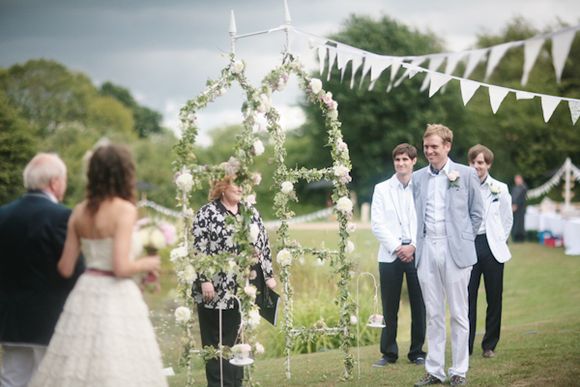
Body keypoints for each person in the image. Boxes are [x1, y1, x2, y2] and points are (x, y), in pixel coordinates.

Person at [28, 144, 167, 387]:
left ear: (93, 174)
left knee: (78, 361)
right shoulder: (124, 210)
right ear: (124, 173)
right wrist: (147, 262)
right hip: (116, 293)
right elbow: (121, 267)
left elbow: (65, 268)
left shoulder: (80, 212)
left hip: (85, 291)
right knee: (120, 362)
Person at [0, 153, 84, 387]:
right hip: (50, 319)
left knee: (11, 380)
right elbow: (75, 269)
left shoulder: (3, 215)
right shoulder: (62, 217)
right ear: (55, 182)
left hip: (11, 321)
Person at [412, 124, 484, 387]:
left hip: (456, 250)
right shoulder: (418, 177)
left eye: (434, 147)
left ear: (447, 146)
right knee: (433, 313)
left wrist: (463, 238)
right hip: (427, 248)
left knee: (458, 312)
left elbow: (477, 213)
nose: (429, 151)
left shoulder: (465, 174)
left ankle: (459, 370)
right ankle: (434, 370)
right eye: (426, 147)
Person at [191, 176, 276, 387]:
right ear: (222, 187)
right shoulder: (207, 213)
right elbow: (198, 250)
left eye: (243, 185)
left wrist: (269, 275)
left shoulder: (250, 212)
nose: (240, 188)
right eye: (235, 184)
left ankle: (236, 383)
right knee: (215, 341)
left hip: (244, 289)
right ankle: (218, 384)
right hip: (215, 288)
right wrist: (205, 279)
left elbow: (264, 245)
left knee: (239, 339)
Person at [371, 143, 426, 367]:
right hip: (390, 254)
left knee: (419, 304)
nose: (401, 163)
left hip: (417, 253)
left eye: (405, 159)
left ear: (414, 161)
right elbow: (377, 224)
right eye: (397, 160)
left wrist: (412, 245)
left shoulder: (422, 187)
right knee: (389, 306)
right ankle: (388, 353)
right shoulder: (382, 189)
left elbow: (425, 219)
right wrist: (397, 247)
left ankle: (417, 352)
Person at [467, 144, 513, 359]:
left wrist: (498, 241)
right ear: (470, 163)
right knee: (467, 297)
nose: (478, 166)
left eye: (482, 163)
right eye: (475, 162)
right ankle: (465, 345)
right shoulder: (462, 186)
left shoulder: (500, 188)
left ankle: (489, 345)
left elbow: (507, 219)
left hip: (493, 247)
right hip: (469, 245)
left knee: (494, 298)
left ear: (489, 164)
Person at [511, 174, 527, 242]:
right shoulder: (514, 188)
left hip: (520, 208)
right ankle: (514, 236)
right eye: (516, 179)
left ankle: (520, 238)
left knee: (520, 223)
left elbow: (521, 198)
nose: (517, 180)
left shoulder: (523, 188)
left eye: (518, 179)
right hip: (513, 208)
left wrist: (516, 205)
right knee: (514, 222)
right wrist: (512, 205)